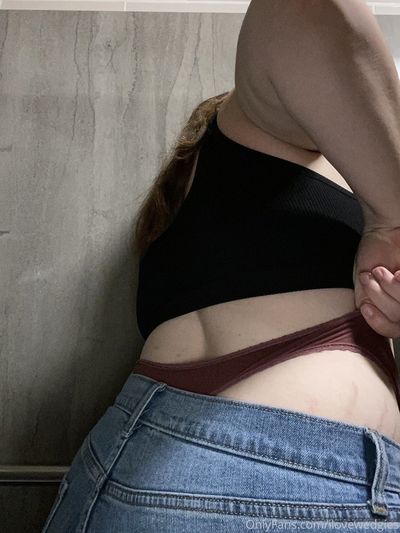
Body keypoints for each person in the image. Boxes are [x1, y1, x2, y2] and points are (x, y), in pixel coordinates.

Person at [42, 1, 400, 531]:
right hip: (261, 474)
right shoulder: (268, 140)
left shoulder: (218, 205)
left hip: (158, 465)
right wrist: (390, 222)